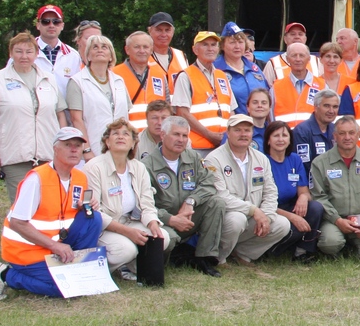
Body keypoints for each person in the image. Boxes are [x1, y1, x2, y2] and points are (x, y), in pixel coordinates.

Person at [0, 127, 106, 301]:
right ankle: (5, 275)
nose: (74, 149)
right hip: (27, 251)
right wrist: (55, 246)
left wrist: (85, 207)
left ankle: (80, 266)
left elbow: (65, 212)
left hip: (56, 244)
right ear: (55, 149)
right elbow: (17, 223)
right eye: (68, 145)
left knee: (93, 218)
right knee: (67, 288)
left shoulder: (80, 177)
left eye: (78, 146)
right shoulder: (37, 179)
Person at [0, 32, 67, 202]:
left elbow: (60, 114)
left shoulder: (49, 79)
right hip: (15, 156)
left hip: (48, 155)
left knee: (49, 203)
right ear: (10, 53)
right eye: (18, 51)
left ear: (36, 54)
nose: (24, 56)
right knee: (22, 206)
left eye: (28, 51)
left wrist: (62, 147)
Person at [84, 118, 171, 281]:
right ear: (107, 142)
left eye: (126, 134)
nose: (120, 136)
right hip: (103, 227)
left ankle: (133, 269)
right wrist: (127, 232)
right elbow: (94, 213)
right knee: (125, 250)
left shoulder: (139, 167)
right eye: (115, 133)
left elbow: (147, 204)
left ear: (133, 143)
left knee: (162, 237)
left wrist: (153, 223)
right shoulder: (93, 167)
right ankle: (94, 271)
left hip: (129, 221)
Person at [202, 114, 290, 266]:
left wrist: (266, 216)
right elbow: (220, 196)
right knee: (237, 219)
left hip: (252, 217)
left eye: (247, 130)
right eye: (237, 130)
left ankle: (242, 253)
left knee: (282, 224)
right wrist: (254, 210)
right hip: (227, 216)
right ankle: (219, 258)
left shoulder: (260, 158)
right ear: (228, 133)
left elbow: (270, 191)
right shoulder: (213, 159)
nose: (243, 134)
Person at [143, 116, 224, 276]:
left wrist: (191, 201)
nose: (181, 140)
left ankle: (205, 258)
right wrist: (170, 219)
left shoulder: (192, 157)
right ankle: (173, 258)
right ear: (163, 135)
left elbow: (209, 183)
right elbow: (144, 206)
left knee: (217, 202)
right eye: (176, 134)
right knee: (170, 239)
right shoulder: (147, 165)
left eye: (184, 135)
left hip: (189, 217)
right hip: (163, 222)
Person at [310, 116, 360, 261]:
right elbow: (318, 197)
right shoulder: (320, 163)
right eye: (342, 133)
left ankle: (353, 244)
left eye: (351, 133)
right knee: (330, 243)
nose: (347, 137)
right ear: (334, 136)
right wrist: (337, 220)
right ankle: (338, 245)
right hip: (334, 220)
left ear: (358, 135)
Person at [261, 120, 322, 262]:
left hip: (290, 205)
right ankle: (271, 251)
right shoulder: (262, 160)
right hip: (270, 210)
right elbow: (260, 202)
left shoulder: (295, 159)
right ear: (268, 140)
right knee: (291, 225)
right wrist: (293, 217)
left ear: (290, 140)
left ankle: (301, 252)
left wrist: (303, 198)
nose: (281, 139)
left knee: (315, 208)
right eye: (276, 136)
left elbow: (304, 191)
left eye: (284, 135)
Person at [66, 35, 131, 158]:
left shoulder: (119, 81)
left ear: (111, 55)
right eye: (95, 47)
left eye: (104, 47)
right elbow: (76, 119)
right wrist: (86, 150)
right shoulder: (77, 81)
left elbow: (125, 115)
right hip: (94, 149)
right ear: (88, 55)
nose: (100, 50)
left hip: (120, 148)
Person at [173, 31, 234, 155]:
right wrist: (209, 135)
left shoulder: (222, 76)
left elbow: (231, 110)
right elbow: (182, 113)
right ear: (195, 50)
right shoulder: (186, 76)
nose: (210, 48)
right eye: (205, 44)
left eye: (213, 45)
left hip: (224, 146)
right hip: (198, 147)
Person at [112, 31, 170, 133]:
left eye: (145, 47)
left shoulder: (160, 74)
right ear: (127, 50)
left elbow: (167, 107)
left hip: (155, 137)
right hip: (126, 136)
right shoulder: (114, 74)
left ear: (151, 50)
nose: (142, 50)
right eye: (137, 47)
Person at [214, 22, 267, 116]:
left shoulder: (254, 68)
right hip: (233, 127)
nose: (237, 46)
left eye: (240, 42)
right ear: (222, 46)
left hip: (260, 127)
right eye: (232, 42)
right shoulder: (215, 69)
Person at [32, 4, 82, 101]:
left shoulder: (73, 56)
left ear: (62, 26)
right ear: (38, 25)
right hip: (35, 113)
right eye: (46, 22)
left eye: (56, 22)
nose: (51, 25)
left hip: (65, 114)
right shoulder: (24, 53)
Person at [270, 42, 324, 129]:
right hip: (285, 139)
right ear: (287, 59)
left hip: (313, 139)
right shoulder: (276, 88)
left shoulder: (323, 86)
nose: (298, 59)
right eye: (294, 55)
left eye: (302, 55)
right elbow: (271, 118)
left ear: (309, 59)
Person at [292, 89, 340, 175]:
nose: (331, 111)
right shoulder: (302, 131)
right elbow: (304, 166)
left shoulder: (336, 129)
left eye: (335, 107)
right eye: (326, 106)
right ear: (316, 107)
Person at [147, 12, 189, 92]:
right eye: (159, 30)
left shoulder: (181, 56)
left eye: (167, 30)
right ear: (150, 31)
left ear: (173, 32)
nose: (163, 34)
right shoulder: (143, 55)